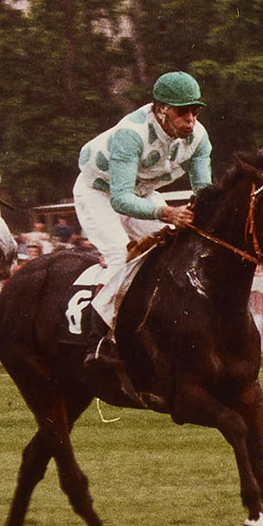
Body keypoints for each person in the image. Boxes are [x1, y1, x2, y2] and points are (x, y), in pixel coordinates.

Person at [72, 70, 213, 356]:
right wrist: (168, 214)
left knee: (175, 250)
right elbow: (121, 200)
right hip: (100, 193)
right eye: (183, 112)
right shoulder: (130, 134)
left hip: (142, 194)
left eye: (195, 111)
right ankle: (96, 340)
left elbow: (205, 193)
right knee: (120, 257)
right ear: (161, 111)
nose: (191, 120)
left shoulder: (199, 138)